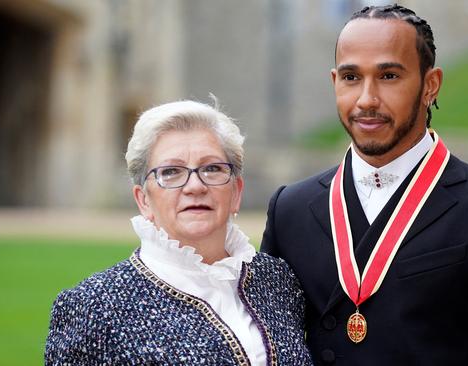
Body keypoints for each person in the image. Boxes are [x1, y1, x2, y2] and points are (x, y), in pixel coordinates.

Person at [261, 4, 468, 365]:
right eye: (352, 77)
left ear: (430, 85)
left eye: (388, 77)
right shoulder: (290, 209)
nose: (366, 99)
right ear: (335, 81)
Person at [45, 99, 312, 365]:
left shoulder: (278, 281)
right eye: (171, 171)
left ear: (236, 193)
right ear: (143, 200)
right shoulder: (94, 307)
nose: (195, 186)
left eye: (212, 168)